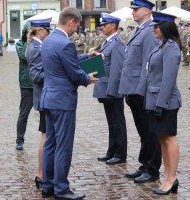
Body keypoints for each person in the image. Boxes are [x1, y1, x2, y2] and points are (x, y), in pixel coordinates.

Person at [40, 7, 98, 200]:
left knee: (50, 144)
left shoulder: (48, 40)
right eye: (77, 24)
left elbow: (64, 62)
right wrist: (87, 78)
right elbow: (73, 72)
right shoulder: (65, 43)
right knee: (63, 145)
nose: (77, 28)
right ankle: (61, 188)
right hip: (62, 101)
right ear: (71, 21)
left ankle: (48, 185)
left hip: (48, 98)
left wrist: (87, 56)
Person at [118, 0, 161, 184]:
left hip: (140, 90)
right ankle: (145, 164)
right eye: (133, 10)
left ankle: (152, 168)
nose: (133, 13)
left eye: (136, 10)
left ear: (146, 10)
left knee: (150, 131)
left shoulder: (150, 31)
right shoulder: (137, 30)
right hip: (133, 89)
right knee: (143, 131)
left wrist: (141, 91)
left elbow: (148, 64)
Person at [145, 11, 182, 195]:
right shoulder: (161, 46)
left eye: (156, 26)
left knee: (169, 139)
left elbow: (168, 79)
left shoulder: (171, 47)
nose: (153, 29)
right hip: (155, 100)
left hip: (166, 101)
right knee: (162, 140)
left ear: (166, 27)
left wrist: (161, 104)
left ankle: (172, 177)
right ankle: (167, 176)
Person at [94, 13, 127, 165]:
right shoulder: (108, 42)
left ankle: (120, 153)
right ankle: (112, 150)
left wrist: (112, 91)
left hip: (112, 90)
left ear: (113, 26)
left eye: (105, 25)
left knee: (117, 122)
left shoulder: (117, 43)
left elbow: (117, 70)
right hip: (106, 87)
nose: (102, 27)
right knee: (111, 122)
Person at [26, 18, 52, 189]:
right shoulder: (35, 48)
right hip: (44, 96)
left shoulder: (38, 46)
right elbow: (35, 76)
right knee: (45, 136)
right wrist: (55, 74)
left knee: (47, 135)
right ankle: (41, 174)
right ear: (40, 31)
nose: (49, 34)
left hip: (45, 96)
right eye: (47, 30)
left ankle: (43, 173)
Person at [15, 22, 33, 151]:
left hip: (41, 83)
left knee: (46, 113)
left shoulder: (41, 44)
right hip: (27, 85)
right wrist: (28, 40)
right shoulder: (20, 44)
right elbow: (25, 57)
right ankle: (19, 140)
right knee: (24, 114)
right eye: (29, 32)